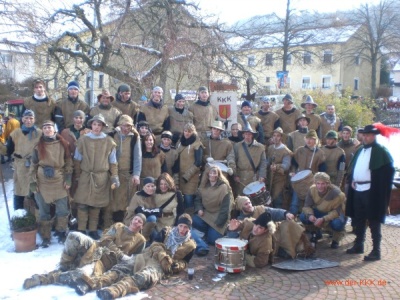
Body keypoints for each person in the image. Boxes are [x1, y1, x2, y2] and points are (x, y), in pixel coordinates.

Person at [75, 214, 196, 298]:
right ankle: (90, 284)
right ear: (177, 225)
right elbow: (155, 244)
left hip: (161, 266)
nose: (182, 229)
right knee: (121, 269)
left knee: (143, 278)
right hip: (148, 255)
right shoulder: (167, 231)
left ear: (189, 229)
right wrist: (162, 255)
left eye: (185, 227)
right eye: (181, 225)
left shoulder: (191, 245)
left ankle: (113, 291)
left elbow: (185, 262)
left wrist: (176, 265)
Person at [22, 214, 146, 290]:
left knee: (80, 274)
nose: (137, 222)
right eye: (136, 219)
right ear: (131, 220)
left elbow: (135, 259)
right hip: (95, 247)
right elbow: (105, 240)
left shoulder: (140, 240)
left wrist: (123, 261)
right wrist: (121, 254)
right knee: (73, 236)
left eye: (140, 222)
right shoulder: (119, 226)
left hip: (104, 263)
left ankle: (43, 279)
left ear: (142, 226)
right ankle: (64, 265)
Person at [345, 124, 394, 261]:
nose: (365, 137)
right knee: (359, 218)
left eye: (368, 135)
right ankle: (359, 244)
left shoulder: (381, 151)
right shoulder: (360, 150)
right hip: (358, 189)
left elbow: (388, 172)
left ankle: (376, 250)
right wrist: (353, 179)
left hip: (372, 191)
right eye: (364, 135)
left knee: (374, 220)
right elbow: (354, 167)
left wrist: (377, 186)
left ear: (374, 136)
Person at [73, 114, 119, 240]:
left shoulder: (109, 141)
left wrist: (114, 176)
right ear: (91, 125)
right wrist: (78, 176)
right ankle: (81, 229)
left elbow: (113, 161)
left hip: (101, 176)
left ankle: (93, 229)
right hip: (86, 175)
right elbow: (77, 159)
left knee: (96, 205)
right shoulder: (83, 140)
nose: (96, 127)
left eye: (99, 125)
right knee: (82, 204)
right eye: (94, 124)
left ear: (103, 126)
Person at [29, 120, 73, 247]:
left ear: (55, 129)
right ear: (42, 130)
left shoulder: (63, 144)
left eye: (50, 127)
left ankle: (61, 232)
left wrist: (68, 178)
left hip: (59, 179)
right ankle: (46, 236)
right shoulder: (38, 146)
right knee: (43, 211)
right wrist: (32, 182)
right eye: (45, 127)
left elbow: (68, 163)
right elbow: (33, 165)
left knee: (62, 210)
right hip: (42, 181)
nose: (47, 129)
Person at [235, 196, 314, 259]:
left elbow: (275, 212)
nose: (249, 205)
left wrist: (286, 214)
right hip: (261, 242)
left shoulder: (261, 209)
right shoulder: (241, 220)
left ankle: (305, 246)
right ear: (241, 207)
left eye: (249, 203)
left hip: (274, 233)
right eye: (246, 204)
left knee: (289, 225)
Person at [106, 115, 142, 227]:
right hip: (113, 173)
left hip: (128, 174)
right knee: (112, 201)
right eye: (124, 125)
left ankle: (124, 225)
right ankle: (108, 226)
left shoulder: (135, 137)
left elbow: (138, 157)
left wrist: (136, 174)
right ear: (119, 125)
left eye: (129, 126)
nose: (126, 128)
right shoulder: (112, 135)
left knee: (126, 202)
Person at [192, 166, 233, 256]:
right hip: (207, 213)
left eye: (215, 173)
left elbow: (225, 209)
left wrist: (219, 223)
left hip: (218, 215)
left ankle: (209, 233)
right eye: (211, 173)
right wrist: (199, 209)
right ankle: (207, 231)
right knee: (194, 219)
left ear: (218, 175)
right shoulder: (203, 185)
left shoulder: (223, 187)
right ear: (207, 174)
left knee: (212, 240)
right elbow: (198, 199)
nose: (212, 175)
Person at [299, 172, 346, 249]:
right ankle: (316, 233)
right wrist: (310, 215)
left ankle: (336, 239)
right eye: (318, 183)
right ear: (315, 183)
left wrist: (324, 219)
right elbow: (307, 206)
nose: (320, 186)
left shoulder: (337, 193)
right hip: (320, 211)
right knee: (303, 216)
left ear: (328, 183)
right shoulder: (312, 190)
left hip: (333, 214)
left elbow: (337, 212)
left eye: (323, 184)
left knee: (337, 224)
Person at [6, 110, 42, 210]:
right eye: (26, 118)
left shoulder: (39, 133)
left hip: (35, 165)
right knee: (20, 189)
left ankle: (36, 214)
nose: (28, 120)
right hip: (20, 165)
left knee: (35, 190)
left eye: (31, 118)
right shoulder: (15, 133)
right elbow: (8, 150)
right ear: (22, 119)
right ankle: (19, 214)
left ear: (34, 120)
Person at [290, 130, 326, 214]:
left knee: (309, 204)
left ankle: (307, 221)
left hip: (312, 182)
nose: (309, 141)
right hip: (299, 181)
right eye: (307, 138)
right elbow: (294, 164)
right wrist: (293, 172)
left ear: (316, 140)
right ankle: (291, 220)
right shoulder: (300, 150)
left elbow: (322, 170)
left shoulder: (320, 153)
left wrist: (318, 181)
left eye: (311, 139)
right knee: (294, 203)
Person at [173, 123, 204, 211]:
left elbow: (198, 163)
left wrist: (187, 176)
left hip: (191, 177)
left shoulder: (197, 144)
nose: (187, 133)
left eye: (189, 132)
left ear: (193, 132)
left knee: (188, 199)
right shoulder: (180, 142)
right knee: (179, 199)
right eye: (185, 131)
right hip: (179, 175)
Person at [232, 126, 267, 197]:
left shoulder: (260, 147)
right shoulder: (237, 146)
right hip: (240, 177)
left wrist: (262, 175)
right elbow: (233, 160)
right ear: (243, 135)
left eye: (249, 134)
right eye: (246, 134)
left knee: (253, 199)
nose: (247, 136)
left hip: (254, 177)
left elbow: (263, 163)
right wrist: (235, 175)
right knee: (240, 198)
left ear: (252, 135)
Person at [125, 177, 159, 242]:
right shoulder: (138, 196)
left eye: (152, 186)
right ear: (143, 187)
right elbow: (141, 212)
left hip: (147, 222)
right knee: (152, 218)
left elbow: (159, 211)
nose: (150, 188)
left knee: (156, 237)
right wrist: (154, 211)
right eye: (148, 186)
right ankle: (142, 240)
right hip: (134, 220)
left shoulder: (154, 196)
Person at [266, 127, 292, 208]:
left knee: (278, 199)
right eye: (274, 135)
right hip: (270, 178)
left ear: (281, 137)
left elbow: (286, 166)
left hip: (280, 179)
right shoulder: (270, 148)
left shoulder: (286, 151)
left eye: (278, 136)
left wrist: (276, 167)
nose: (275, 137)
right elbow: (267, 161)